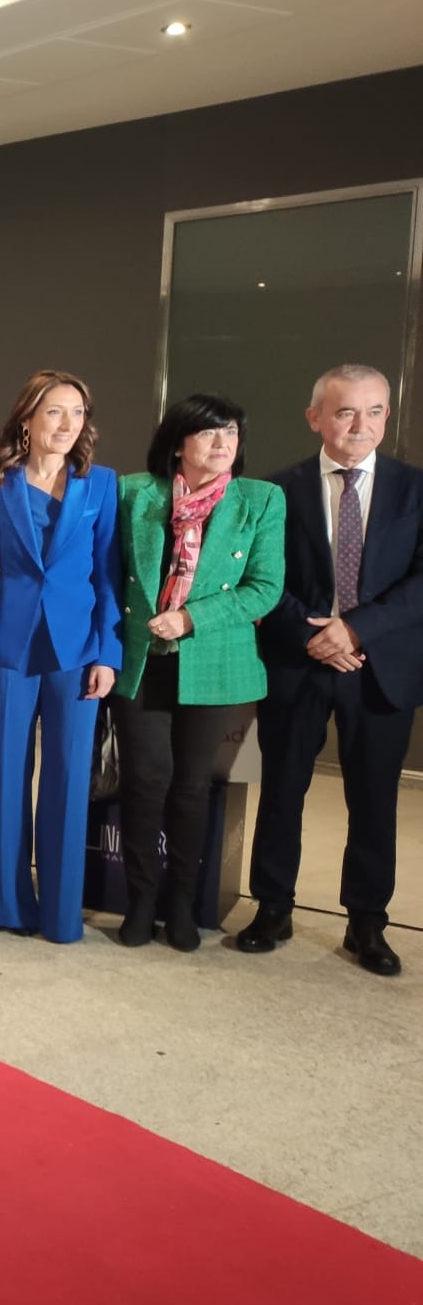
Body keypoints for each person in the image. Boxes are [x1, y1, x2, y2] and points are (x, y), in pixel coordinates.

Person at [244, 364, 421, 977]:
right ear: (315, 417)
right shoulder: (275, 492)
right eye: (345, 411)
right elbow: (264, 580)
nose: (360, 425)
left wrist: (356, 629)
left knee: (373, 801)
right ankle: (272, 908)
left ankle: (367, 923)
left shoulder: (415, 490)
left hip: (380, 667)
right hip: (299, 662)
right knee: (283, 792)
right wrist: (315, 634)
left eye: (374, 411)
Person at [112, 394, 283, 952]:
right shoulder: (136, 493)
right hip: (142, 660)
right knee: (144, 783)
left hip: (212, 659)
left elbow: (264, 588)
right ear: (178, 443)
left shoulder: (259, 500)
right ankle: (139, 902)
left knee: (190, 790)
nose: (222, 443)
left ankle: (181, 905)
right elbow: (109, 575)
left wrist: (189, 618)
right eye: (210, 433)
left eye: (231, 433)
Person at [0, 370, 121, 944]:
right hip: (7, 646)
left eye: (77, 413)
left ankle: (62, 913)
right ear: (28, 419)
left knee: (66, 778)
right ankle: (8, 907)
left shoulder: (102, 484)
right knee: (6, 778)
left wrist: (108, 652)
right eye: (55, 412)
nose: (66, 425)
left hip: (77, 650)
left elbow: (110, 574)